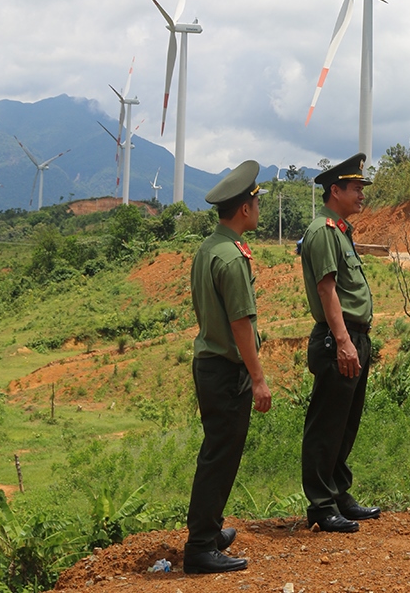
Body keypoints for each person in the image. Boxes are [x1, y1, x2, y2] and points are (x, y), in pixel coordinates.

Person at [183, 161, 272, 574]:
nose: (258, 208)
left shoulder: (208, 249)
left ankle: (211, 530)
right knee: (220, 456)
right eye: (255, 202)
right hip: (225, 370)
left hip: (207, 364)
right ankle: (201, 547)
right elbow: (241, 324)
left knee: (217, 451)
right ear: (243, 209)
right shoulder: (232, 259)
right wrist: (258, 379)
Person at [300, 153, 380, 533]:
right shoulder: (323, 231)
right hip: (339, 340)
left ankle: (338, 493)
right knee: (326, 424)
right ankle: (320, 504)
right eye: (356, 188)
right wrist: (344, 341)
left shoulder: (340, 230)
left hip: (353, 338)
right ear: (335, 190)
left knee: (346, 424)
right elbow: (327, 289)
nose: (362, 195)